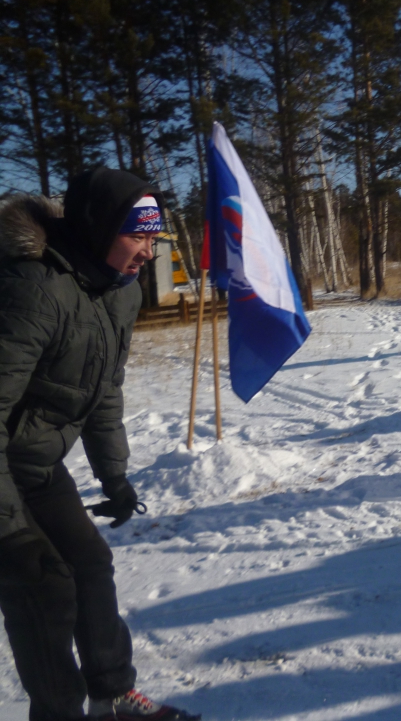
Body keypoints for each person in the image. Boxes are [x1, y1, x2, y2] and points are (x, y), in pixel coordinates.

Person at [0, 168, 199, 721]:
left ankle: (112, 697)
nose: (148, 252)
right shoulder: (33, 289)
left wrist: (115, 476)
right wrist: (10, 529)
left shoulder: (118, 292)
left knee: (89, 563)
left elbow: (104, 388)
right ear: (99, 228)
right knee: (43, 587)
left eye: (154, 238)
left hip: (34, 462)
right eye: (137, 236)